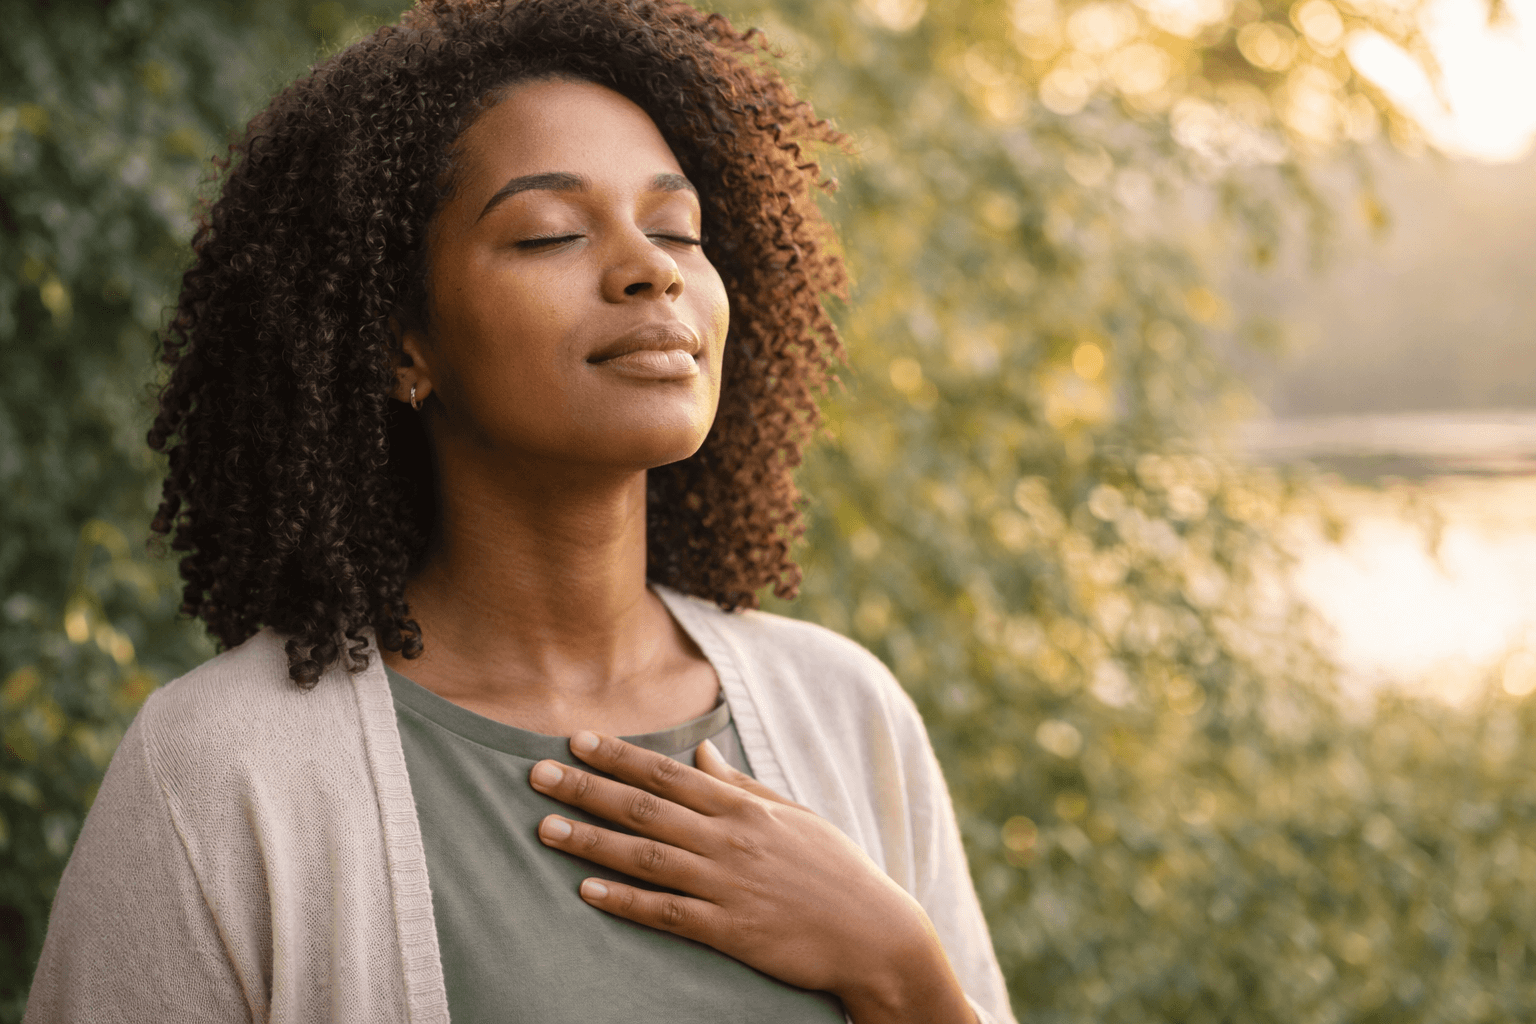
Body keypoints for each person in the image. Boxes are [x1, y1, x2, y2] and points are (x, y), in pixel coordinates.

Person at [24, 1, 1016, 1021]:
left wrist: (900, 966)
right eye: (549, 233)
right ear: (403, 342)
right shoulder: (222, 769)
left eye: (677, 228)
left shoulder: (846, 713)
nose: (653, 268)